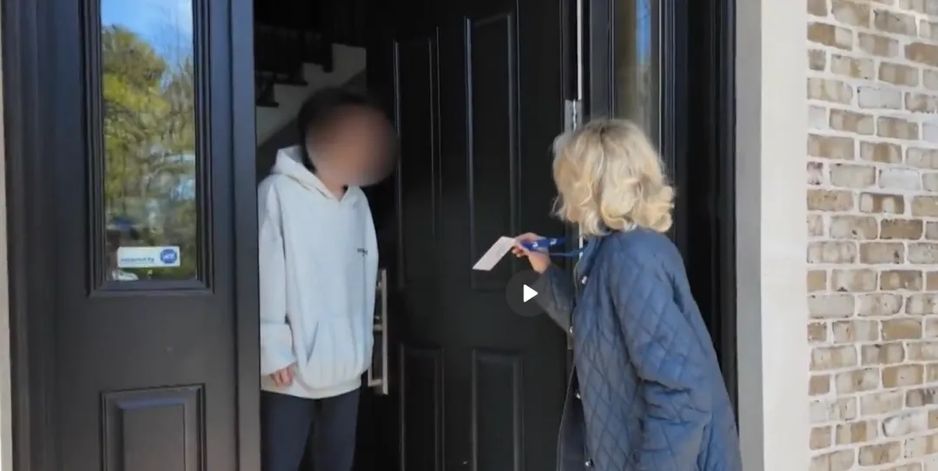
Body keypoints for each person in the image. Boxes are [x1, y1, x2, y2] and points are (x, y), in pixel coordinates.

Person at [512, 119, 741, 470]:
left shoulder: (630, 258)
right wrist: (543, 267)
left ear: (588, 186)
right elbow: (593, 326)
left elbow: (681, 394)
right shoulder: (617, 251)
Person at [257, 87, 394, 471]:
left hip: (346, 364)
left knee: (337, 461)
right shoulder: (277, 192)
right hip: (290, 368)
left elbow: (364, 276)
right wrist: (273, 346)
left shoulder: (357, 200)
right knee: (280, 462)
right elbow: (266, 272)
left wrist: (363, 345)